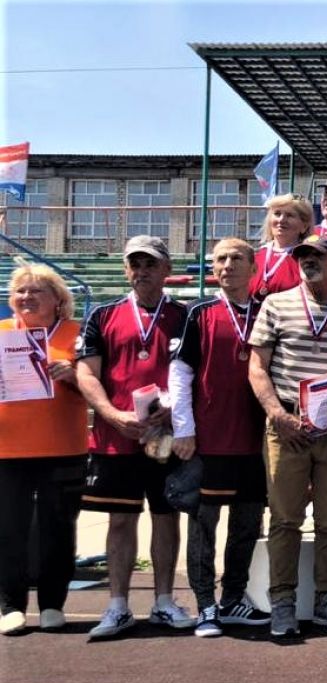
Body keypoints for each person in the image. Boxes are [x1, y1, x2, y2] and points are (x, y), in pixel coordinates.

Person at [76, 235, 193, 640]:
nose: (142, 271)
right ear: (126, 270)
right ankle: (118, 606)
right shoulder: (102, 314)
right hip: (118, 434)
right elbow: (86, 372)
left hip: (168, 435)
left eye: (150, 264)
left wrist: (174, 411)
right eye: (135, 264)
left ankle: (164, 601)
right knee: (121, 519)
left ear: (166, 269)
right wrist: (112, 414)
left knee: (166, 517)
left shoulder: (185, 315)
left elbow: (195, 372)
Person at [247, 235, 327, 638]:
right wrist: (276, 414)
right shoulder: (275, 304)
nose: (309, 261)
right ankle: (282, 601)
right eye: (303, 255)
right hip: (288, 426)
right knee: (285, 519)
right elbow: (257, 367)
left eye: (318, 256)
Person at [168, 238, 272, 637]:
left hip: (255, 440)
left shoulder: (268, 311)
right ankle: (205, 605)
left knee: (247, 522)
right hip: (209, 438)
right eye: (220, 259)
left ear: (253, 267)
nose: (227, 265)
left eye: (236, 258)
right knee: (203, 525)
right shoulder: (199, 312)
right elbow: (180, 373)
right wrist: (184, 429)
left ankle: (232, 599)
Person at [0, 265, 87, 636]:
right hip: (7, 449)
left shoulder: (77, 334)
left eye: (36, 291)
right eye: (20, 290)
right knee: (8, 528)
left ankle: (53, 604)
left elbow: (100, 388)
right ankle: (10, 606)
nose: (27, 297)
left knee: (58, 527)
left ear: (58, 299)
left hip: (63, 446)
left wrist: (73, 375)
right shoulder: (2, 333)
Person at [250, 193, 314, 303]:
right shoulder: (257, 256)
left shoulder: (307, 259)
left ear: (304, 226)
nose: (281, 220)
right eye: (277, 214)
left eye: (289, 215)